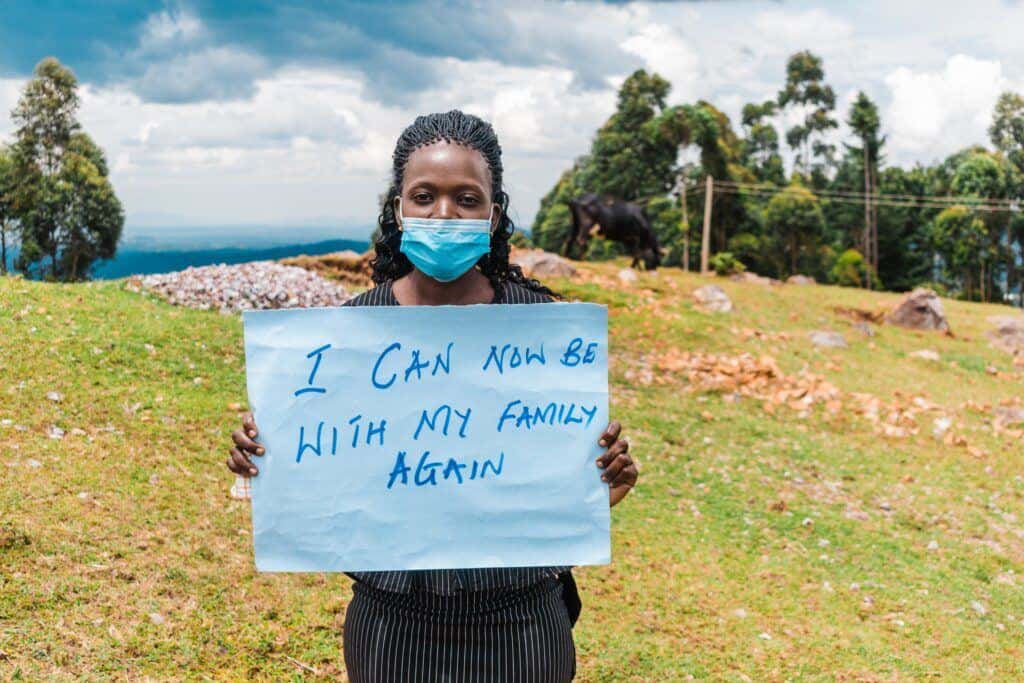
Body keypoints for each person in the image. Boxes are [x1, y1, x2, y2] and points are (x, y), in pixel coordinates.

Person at [227, 110, 639, 682]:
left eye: (466, 199)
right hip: (393, 635)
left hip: (522, 632)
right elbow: (321, 471)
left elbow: (550, 472)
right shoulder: (344, 337)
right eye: (424, 196)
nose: (443, 214)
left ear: (493, 216)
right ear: (398, 209)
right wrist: (263, 460)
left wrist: (596, 487)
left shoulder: (545, 333)